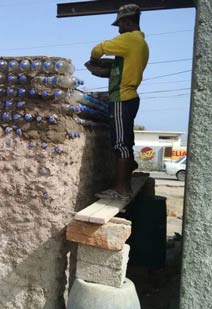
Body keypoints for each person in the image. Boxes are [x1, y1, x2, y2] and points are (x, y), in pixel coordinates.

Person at [88, 4, 149, 200]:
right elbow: (122, 70)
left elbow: (99, 48)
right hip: (129, 98)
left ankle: (121, 188)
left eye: (120, 25)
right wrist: (110, 70)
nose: (118, 29)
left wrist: (94, 60)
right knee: (126, 142)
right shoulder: (139, 45)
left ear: (127, 21)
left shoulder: (129, 39)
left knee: (121, 144)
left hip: (122, 98)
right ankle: (124, 181)